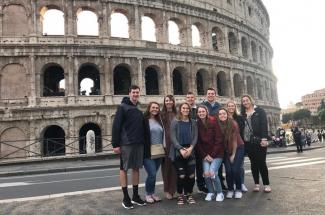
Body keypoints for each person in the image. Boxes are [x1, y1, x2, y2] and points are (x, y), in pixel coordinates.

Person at [111, 85, 146, 209]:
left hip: (138, 142)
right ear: (129, 93)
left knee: (136, 168)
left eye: (137, 92)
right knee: (124, 169)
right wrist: (115, 144)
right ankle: (126, 198)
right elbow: (116, 126)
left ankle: (135, 196)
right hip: (126, 143)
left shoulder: (138, 108)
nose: (136, 94)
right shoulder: (122, 107)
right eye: (134, 92)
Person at [240, 95, 271, 193]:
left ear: (251, 100)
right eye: (243, 101)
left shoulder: (259, 111)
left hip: (259, 140)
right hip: (248, 142)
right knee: (253, 164)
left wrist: (264, 138)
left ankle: (266, 184)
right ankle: (256, 184)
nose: (245, 102)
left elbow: (264, 125)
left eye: (247, 100)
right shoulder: (242, 114)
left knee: (262, 162)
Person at [170, 102, 198, 205]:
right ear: (180, 109)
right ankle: (180, 195)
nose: (186, 110)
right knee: (181, 175)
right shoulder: (175, 121)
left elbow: (195, 137)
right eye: (183, 108)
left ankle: (189, 194)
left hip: (190, 150)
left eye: (187, 108)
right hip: (178, 151)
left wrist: (190, 148)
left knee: (191, 175)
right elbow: (172, 137)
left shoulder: (193, 122)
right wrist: (181, 149)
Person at [196, 105, 225, 202]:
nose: (201, 113)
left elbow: (218, 139)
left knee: (212, 173)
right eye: (199, 112)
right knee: (206, 173)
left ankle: (220, 193)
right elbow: (198, 142)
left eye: (203, 111)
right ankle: (211, 192)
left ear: (206, 112)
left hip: (217, 153)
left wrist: (211, 155)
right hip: (205, 154)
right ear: (197, 113)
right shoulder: (197, 124)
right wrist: (205, 155)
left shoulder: (213, 121)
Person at [201, 88, 226, 190]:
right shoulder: (202, 106)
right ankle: (206, 186)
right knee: (205, 165)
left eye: (212, 93)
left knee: (217, 166)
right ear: (206, 95)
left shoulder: (219, 106)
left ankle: (220, 183)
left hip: (217, 136)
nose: (210, 95)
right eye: (209, 94)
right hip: (206, 138)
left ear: (215, 95)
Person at [143, 102, 165, 203]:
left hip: (159, 150)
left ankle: (152, 193)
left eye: (157, 108)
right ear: (149, 108)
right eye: (153, 107)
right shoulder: (144, 120)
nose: (155, 109)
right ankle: (148, 194)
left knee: (154, 174)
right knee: (151, 173)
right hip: (148, 151)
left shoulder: (159, 120)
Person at [186, 92, 208, 194]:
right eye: (188, 97)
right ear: (186, 99)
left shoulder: (199, 110)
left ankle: (201, 186)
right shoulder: (184, 110)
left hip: (198, 141)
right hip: (187, 142)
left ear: (194, 98)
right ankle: (187, 188)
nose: (190, 99)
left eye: (192, 97)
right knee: (188, 166)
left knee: (199, 166)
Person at [226, 101, 248, 192]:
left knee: (240, 167)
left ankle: (241, 183)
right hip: (228, 146)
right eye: (229, 106)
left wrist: (244, 146)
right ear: (226, 107)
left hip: (239, 144)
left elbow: (243, 132)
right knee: (231, 168)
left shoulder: (239, 118)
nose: (231, 107)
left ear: (235, 107)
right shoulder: (224, 117)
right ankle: (234, 184)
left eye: (233, 106)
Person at [160, 95, 178, 200]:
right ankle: (167, 190)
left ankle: (173, 189)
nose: (168, 102)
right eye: (166, 101)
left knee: (175, 168)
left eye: (170, 100)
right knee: (166, 168)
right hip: (166, 143)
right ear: (164, 102)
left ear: (173, 102)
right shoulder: (161, 114)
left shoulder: (177, 114)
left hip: (176, 144)